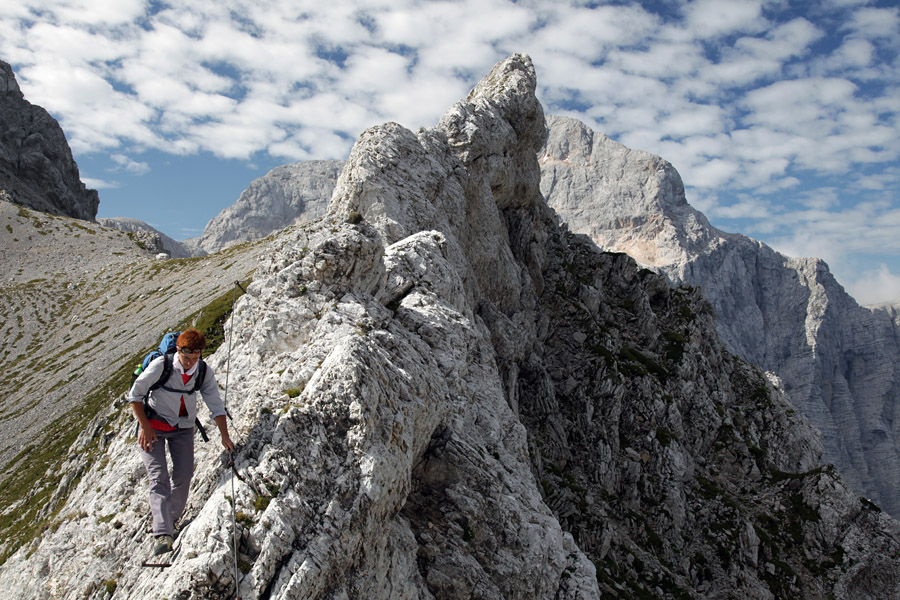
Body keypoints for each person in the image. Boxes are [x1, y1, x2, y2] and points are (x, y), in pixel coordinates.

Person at [127, 328, 235, 556]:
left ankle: (170, 518)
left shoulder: (203, 372)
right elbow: (135, 395)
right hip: (153, 426)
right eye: (186, 358)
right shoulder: (161, 365)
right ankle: (163, 533)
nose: (189, 363)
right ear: (178, 351)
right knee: (158, 477)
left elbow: (215, 404)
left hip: (182, 428)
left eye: (195, 358)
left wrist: (224, 435)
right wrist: (144, 426)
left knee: (184, 475)